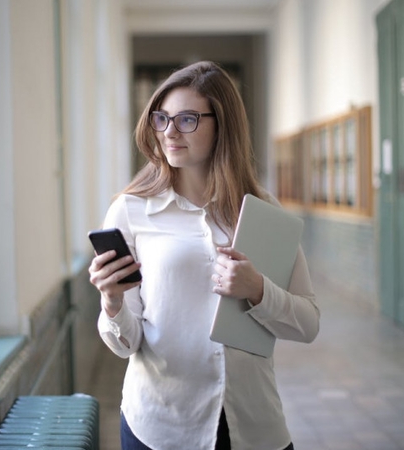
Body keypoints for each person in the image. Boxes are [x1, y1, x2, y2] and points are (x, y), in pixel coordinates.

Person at [88, 61, 320, 450]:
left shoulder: (263, 209)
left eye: (188, 119)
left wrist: (258, 289)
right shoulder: (130, 211)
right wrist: (111, 302)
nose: (169, 132)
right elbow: (126, 345)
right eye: (161, 119)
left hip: (254, 424)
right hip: (162, 428)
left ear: (222, 125)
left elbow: (308, 324)